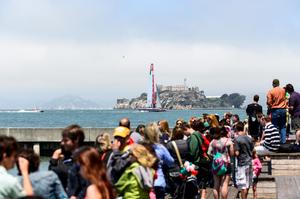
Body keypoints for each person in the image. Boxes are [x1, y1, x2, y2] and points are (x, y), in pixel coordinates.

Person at [48, 124, 88, 199]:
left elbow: (87, 184)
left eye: (66, 140)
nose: (62, 143)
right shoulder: (69, 157)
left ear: (76, 140)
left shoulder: (85, 157)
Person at [144, 122, 174, 199]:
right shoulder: (160, 148)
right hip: (158, 182)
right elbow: (171, 162)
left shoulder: (140, 148)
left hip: (144, 182)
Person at [208, 127, 234, 199]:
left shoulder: (213, 141)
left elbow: (209, 153)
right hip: (226, 163)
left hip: (215, 164)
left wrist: (214, 157)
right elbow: (232, 154)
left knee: (216, 184)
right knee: (224, 184)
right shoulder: (228, 141)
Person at [234, 122, 254, 199]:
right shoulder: (249, 138)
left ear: (236, 129)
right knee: (247, 184)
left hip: (241, 164)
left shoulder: (237, 139)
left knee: (243, 186)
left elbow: (237, 153)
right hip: (249, 162)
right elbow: (253, 150)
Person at [267, 79, 288, 144]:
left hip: (275, 110)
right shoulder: (284, 91)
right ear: (279, 84)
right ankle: (283, 142)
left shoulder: (270, 91)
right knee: (283, 126)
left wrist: (271, 105)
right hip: (283, 110)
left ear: (273, 84)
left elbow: (269, 102)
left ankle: (275, 142)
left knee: (274, 126)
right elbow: (286, 99)